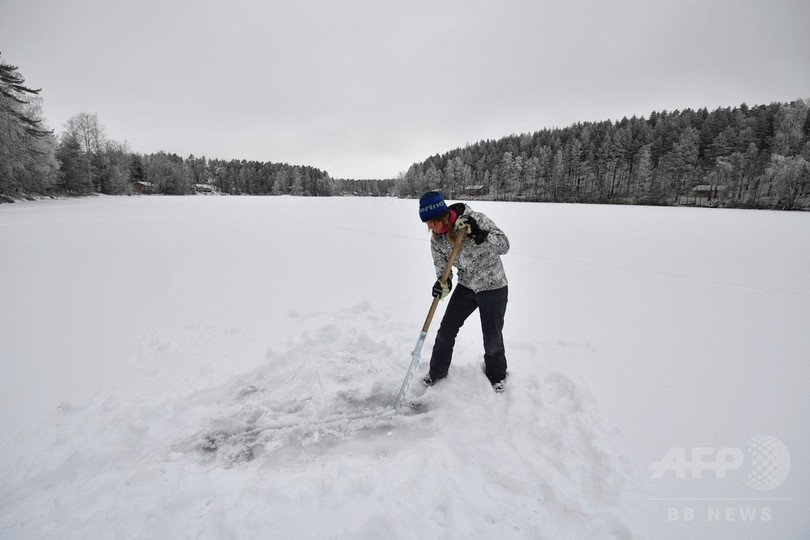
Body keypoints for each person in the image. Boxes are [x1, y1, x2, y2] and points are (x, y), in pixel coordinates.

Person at [418, 191, 510, 392]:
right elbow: (444, 271)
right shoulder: (437, 241)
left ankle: (497, 375)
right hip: (467, 287)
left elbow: (504, 245)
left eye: (431, 222)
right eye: (426, 223)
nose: (429, 227)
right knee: (446, 331)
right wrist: (444, 285)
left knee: (492, 337)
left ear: (442, 215)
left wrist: (480, 234)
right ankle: (437, 373)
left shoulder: (476, 219)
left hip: (493, 286)